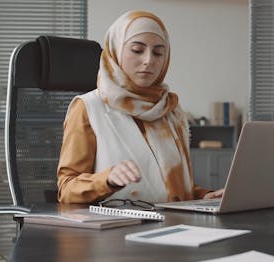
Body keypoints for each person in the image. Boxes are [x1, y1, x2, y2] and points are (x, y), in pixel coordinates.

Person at [57, 10, 224, 204]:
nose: (149, 61)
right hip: (117, 228)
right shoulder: (88, 108)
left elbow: (167, 185)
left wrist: (203, 195)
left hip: (173, 225)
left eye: (158, 53)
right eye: (137, 50)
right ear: (116, 51)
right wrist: (107, 179)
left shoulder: (172, 110)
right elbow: (67, 189)